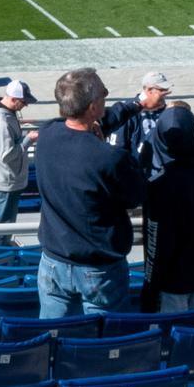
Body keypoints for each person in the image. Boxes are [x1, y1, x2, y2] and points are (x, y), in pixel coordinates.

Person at [35, 67, 145, 316]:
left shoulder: (47, 134)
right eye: (103, 95)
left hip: (53, 261)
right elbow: (135, 196)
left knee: (53, 338)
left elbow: (77, 134)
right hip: (98, 268)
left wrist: (134, 105)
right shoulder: (108, 157)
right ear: (93, 107)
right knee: (100, 345)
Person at [143, 105, 194, 313]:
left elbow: (156, 238)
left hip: (172, 277)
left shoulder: (162, 182)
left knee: (172, 334)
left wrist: (151, 283)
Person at [0, 79, 33, 223]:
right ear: (13, 99)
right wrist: (28, 139)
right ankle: (0, 245)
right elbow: (8, 155)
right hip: (6, 182)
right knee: (2, 226)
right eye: (23, 102)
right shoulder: (2, 122)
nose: (26, 105)